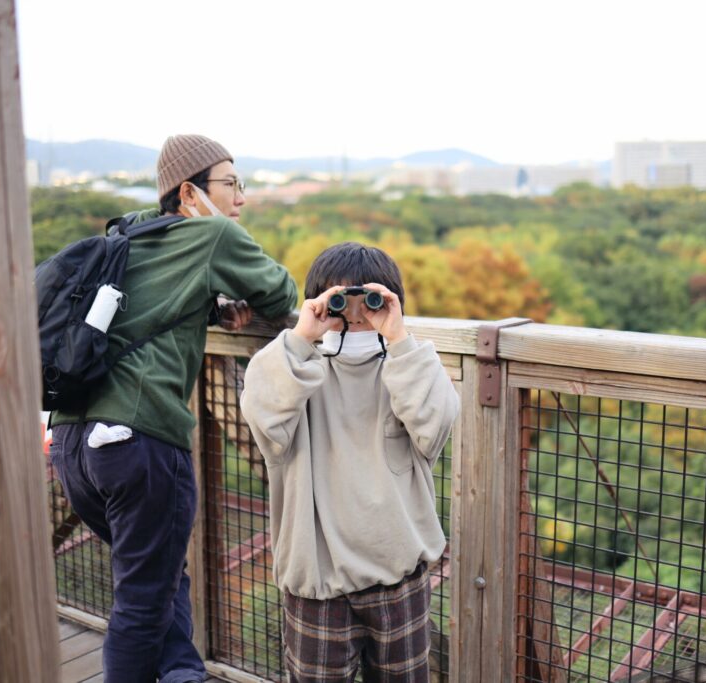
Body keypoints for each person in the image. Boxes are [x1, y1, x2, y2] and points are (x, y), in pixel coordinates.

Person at [49, 134, 298, 683]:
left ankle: (183, 673)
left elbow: (146, 307)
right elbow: (283, 294)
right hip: (137, 441)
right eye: (231, 183)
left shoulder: (126, 233)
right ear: (189, 193)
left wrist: (209, 305)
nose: (241, 197)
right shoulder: (212, 235)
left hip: (72, 446)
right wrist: (228, 293)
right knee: (141, 602)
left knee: (160, 576)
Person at [240, 242, 459, 682]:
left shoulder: (409, 365)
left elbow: (434, 427)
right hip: (318, 584)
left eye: (372, 302)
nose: (356, 315)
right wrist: (301, 338)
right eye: (340, 301)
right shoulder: (296, 371)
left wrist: (398, 339)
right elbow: (264, 418)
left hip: (398, 576)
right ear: (319, 303)